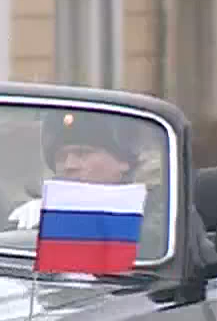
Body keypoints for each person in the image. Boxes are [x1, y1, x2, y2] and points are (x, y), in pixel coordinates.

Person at [9, 110, 168, 259]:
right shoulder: (32, 212)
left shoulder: (161, 211)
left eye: (82, 153)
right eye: (61, 157)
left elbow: (144, 249)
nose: (69, 165)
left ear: (123, 161)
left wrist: (65, 218)